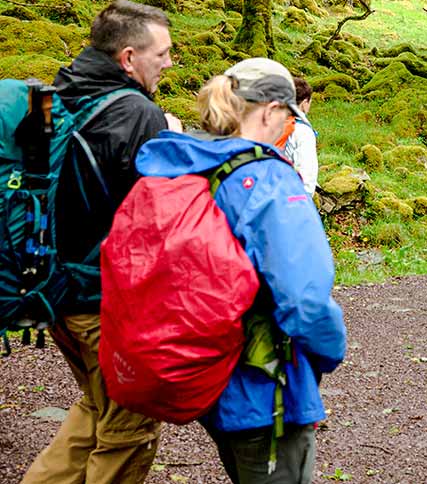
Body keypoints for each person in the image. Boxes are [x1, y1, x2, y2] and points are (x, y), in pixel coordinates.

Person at [134, 57, 346, 484]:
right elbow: (305, 300)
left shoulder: (187, 164)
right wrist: (329, 352)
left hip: (210, 374)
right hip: (266, 387)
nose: (289, 125)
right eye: (289, 115)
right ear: (270, 111)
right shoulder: (268, 181)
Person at [23, 0, 182, 484]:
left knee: (96, 408)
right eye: (164, 54)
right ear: (129, 58)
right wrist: (170, 140)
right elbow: (157, 223)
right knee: (129, 425)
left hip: (52, 294)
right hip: (106, 303)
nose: (170, 63)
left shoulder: (52, 97)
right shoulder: (138, 114)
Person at [275, 76, 318, 196]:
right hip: (286, 196)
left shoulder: (270, 123)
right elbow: (307, 175)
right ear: (305, 103)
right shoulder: (303, 131)